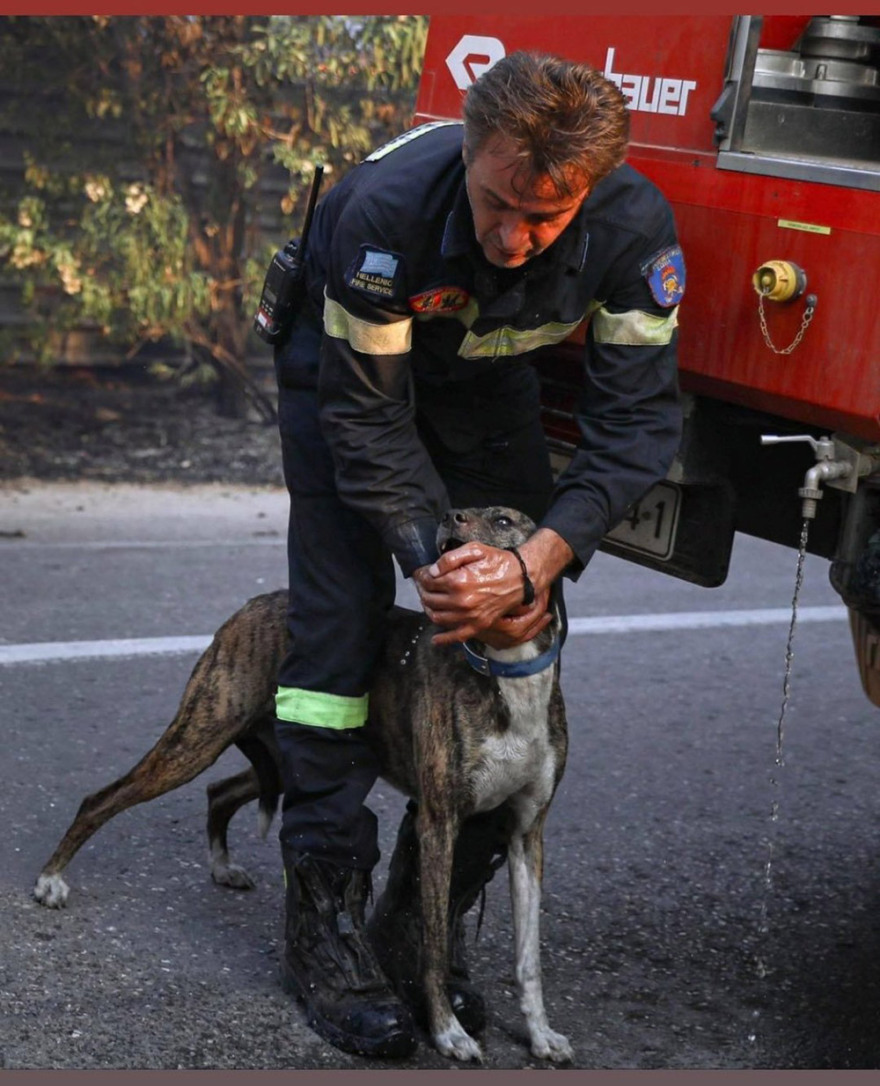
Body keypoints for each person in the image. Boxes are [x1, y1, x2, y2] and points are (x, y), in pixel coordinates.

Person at [270, 50, 684, 1058]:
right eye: (496, 202)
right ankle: (323, 918)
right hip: (346, 381)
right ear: (467, 147)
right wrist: (435, 560)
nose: (513, 237)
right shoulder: (383, 214)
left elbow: (633, 429)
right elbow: (367, 428)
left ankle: (424, 920)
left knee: (518, 634)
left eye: (545, 218)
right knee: (336, 633)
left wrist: (531, 564)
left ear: (590, 190)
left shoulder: (635, 230)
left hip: (485, 375)